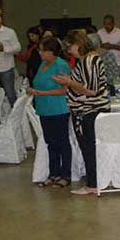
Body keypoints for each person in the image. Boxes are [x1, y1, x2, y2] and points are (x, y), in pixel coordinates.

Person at [54, 31, 110, 196]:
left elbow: (91, 90)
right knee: (89, 148)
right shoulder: (87, 59)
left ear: (78, 44)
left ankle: (93, 184)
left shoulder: (89, 60)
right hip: (87, 110)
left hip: (89, 110)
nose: (68, 51)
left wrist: (69, 82)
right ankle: (94, 182)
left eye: (69, 47)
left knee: (89, 149)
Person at [27, 37, 72, 188]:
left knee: (62, 142)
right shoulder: (43, 64)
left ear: (52, 52)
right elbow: (38, 82)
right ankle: (53, 173)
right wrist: (33, 90)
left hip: (58, 109)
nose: (40, 53)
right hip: (44, 109)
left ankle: (65, 174)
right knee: (50, 142)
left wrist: (42, 93)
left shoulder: (61, 65)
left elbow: (65, 90)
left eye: (43, 50)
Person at [0, 16, 22, 107]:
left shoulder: (9, 32)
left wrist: (4, 48)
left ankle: (16, 112)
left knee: (10, 93)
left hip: (6, 68)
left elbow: (18, 48)